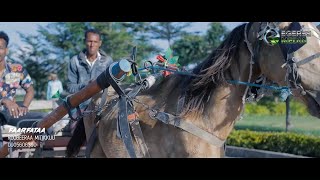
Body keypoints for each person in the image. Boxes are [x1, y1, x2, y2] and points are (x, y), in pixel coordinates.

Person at [0, 31, 47, 147]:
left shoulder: (16, 69)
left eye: (0, 48)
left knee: (45, 119)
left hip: (10, 114)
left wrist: (24, 106)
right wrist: (4, 100)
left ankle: (38, 145)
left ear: (6, 50)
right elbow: (5, 101)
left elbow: (30, 90)